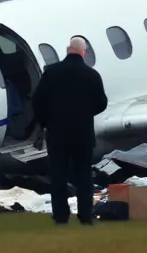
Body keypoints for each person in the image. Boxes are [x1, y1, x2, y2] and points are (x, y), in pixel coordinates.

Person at [31, 36, 108, 226]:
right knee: (83, 176)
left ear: (68, 49)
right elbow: (101, 103)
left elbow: (37, 101)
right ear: (83, 52)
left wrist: (45, 121)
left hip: (57, 133)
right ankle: (86, 216)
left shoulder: (51, 73)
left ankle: (60, 216)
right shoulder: (91, 75)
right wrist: (85, 113)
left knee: (58, 176)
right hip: (82, 133)